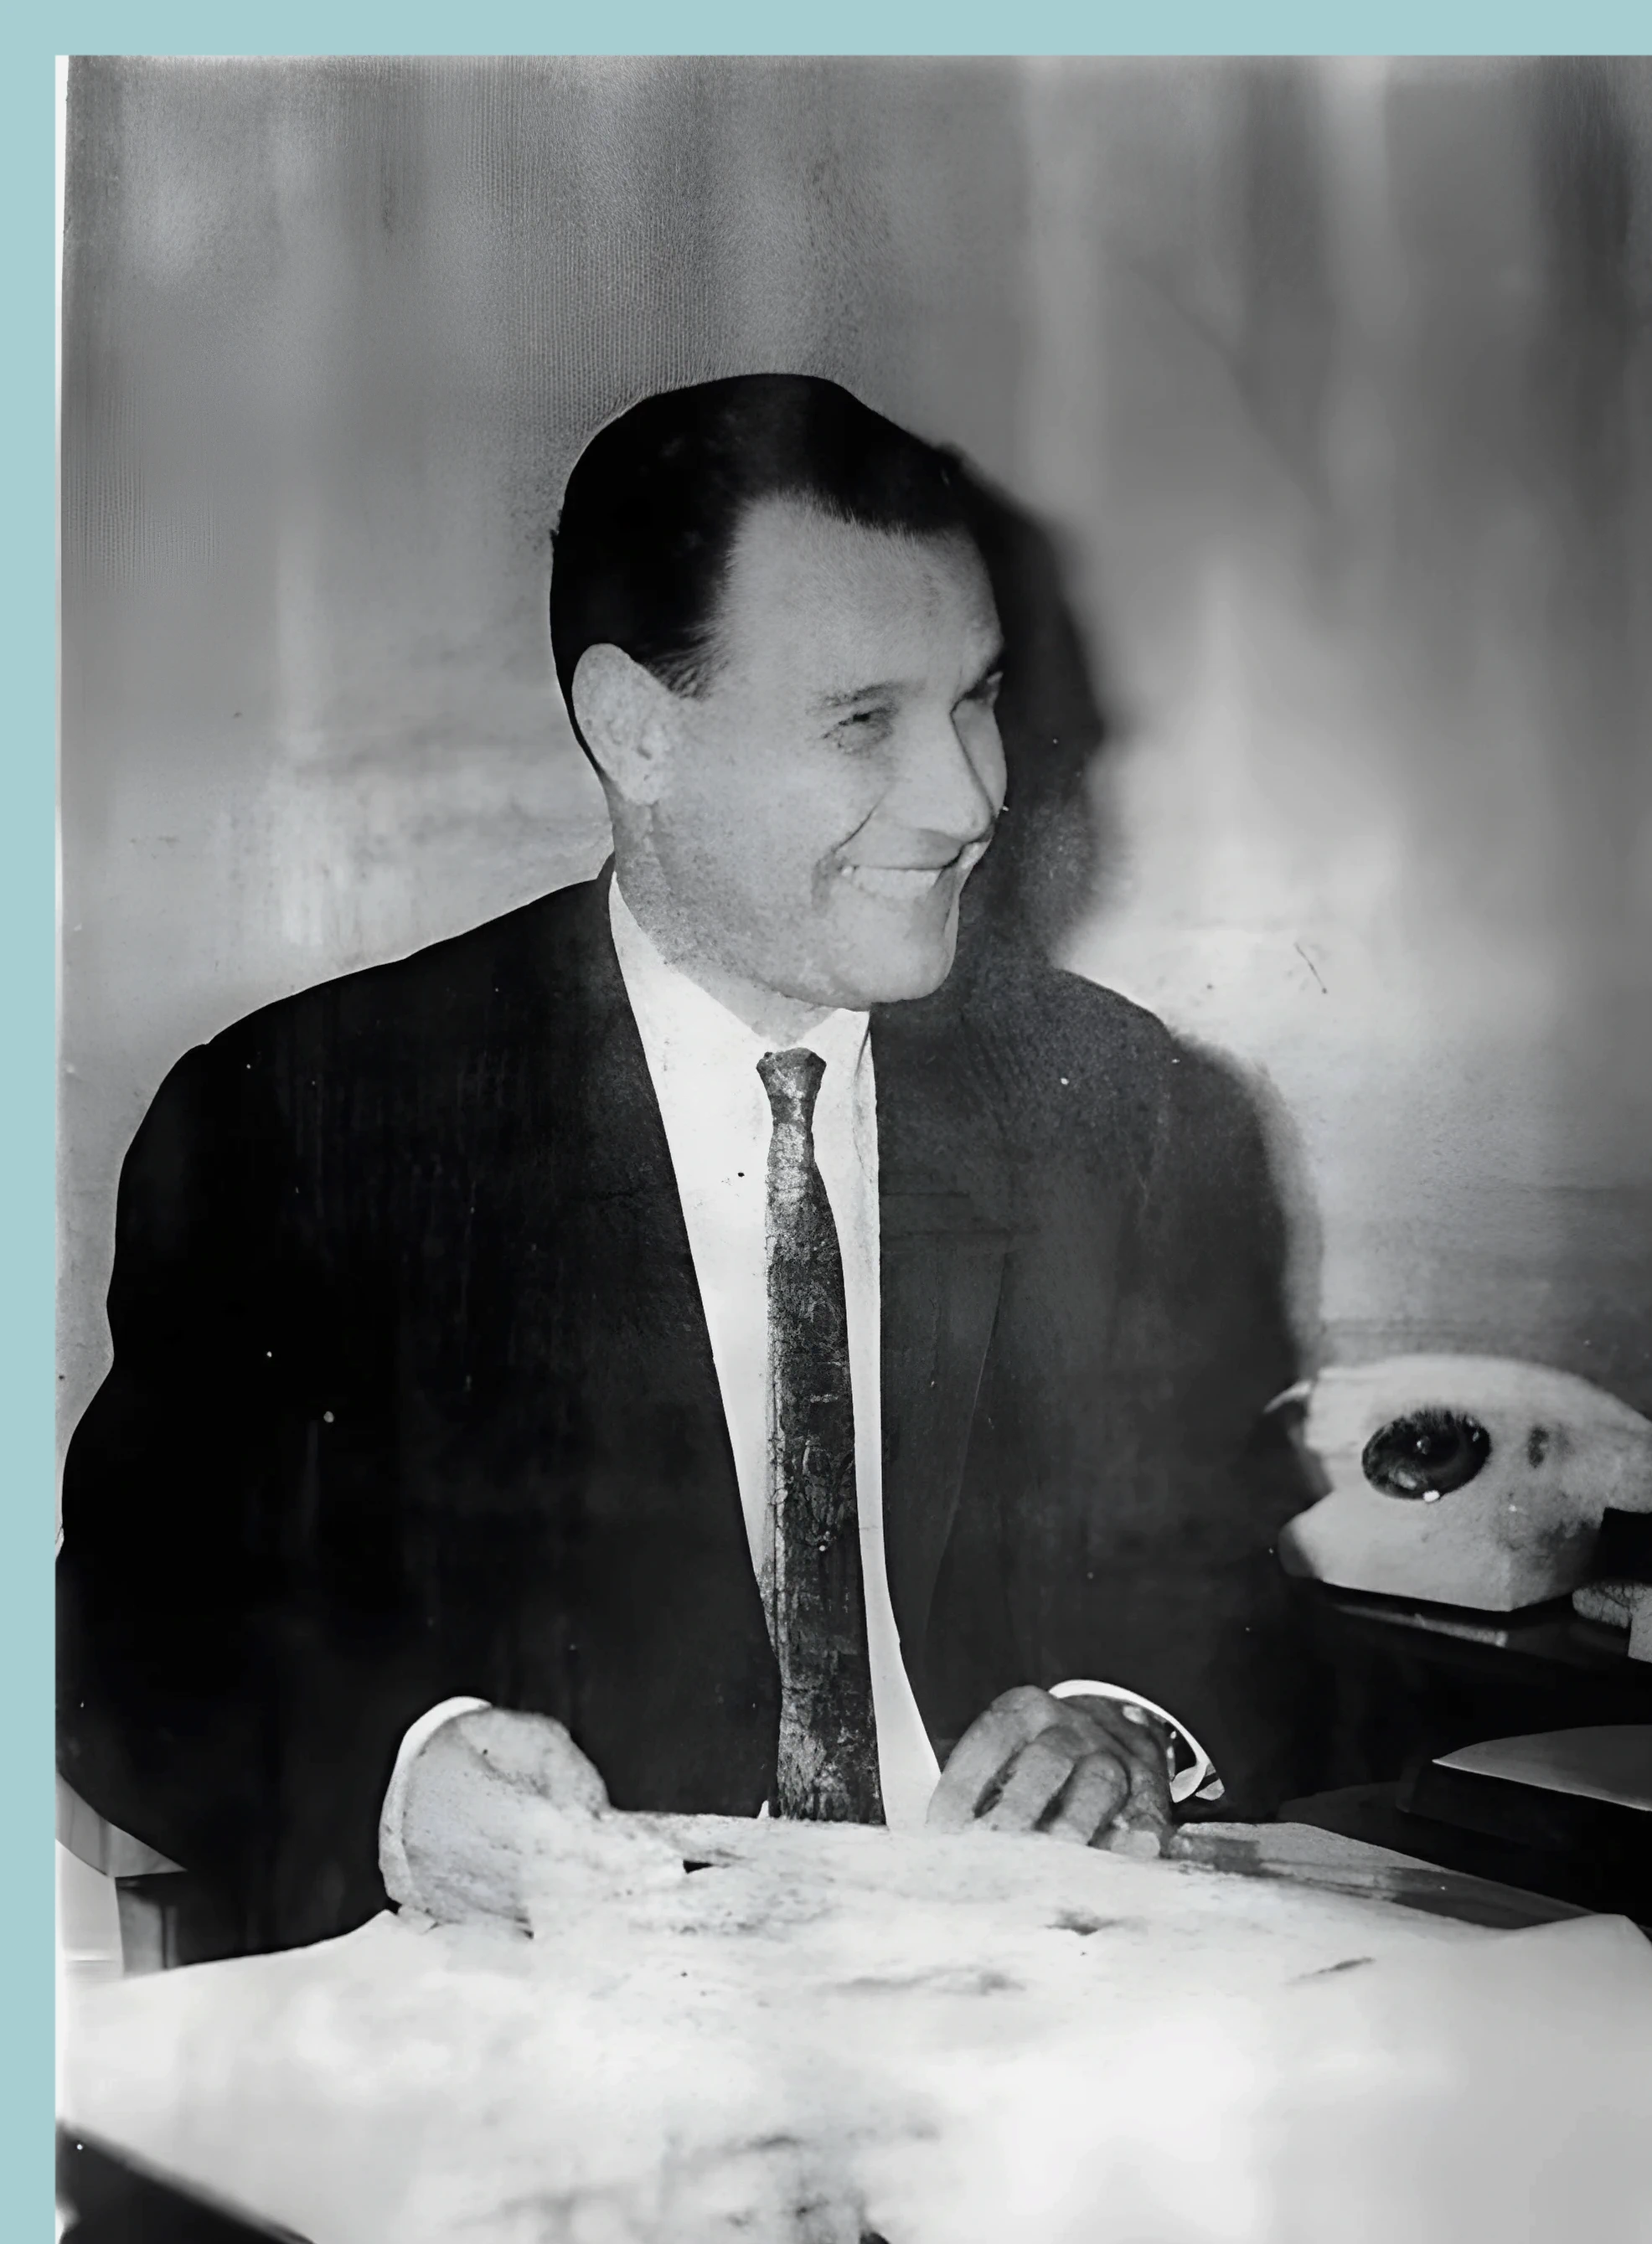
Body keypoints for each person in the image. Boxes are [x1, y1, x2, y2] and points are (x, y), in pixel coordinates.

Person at [58, 375, 1311, 1954]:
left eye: (977, 697)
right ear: (637, 731)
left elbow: (1221, 1576)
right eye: (864, 721)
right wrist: (406, 1780)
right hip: (536, 2019)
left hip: (1023, 2006)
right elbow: (131, 1639)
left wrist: (1124, 1719)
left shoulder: (1128, 1110)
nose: (971, 796)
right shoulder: (306, 1123)